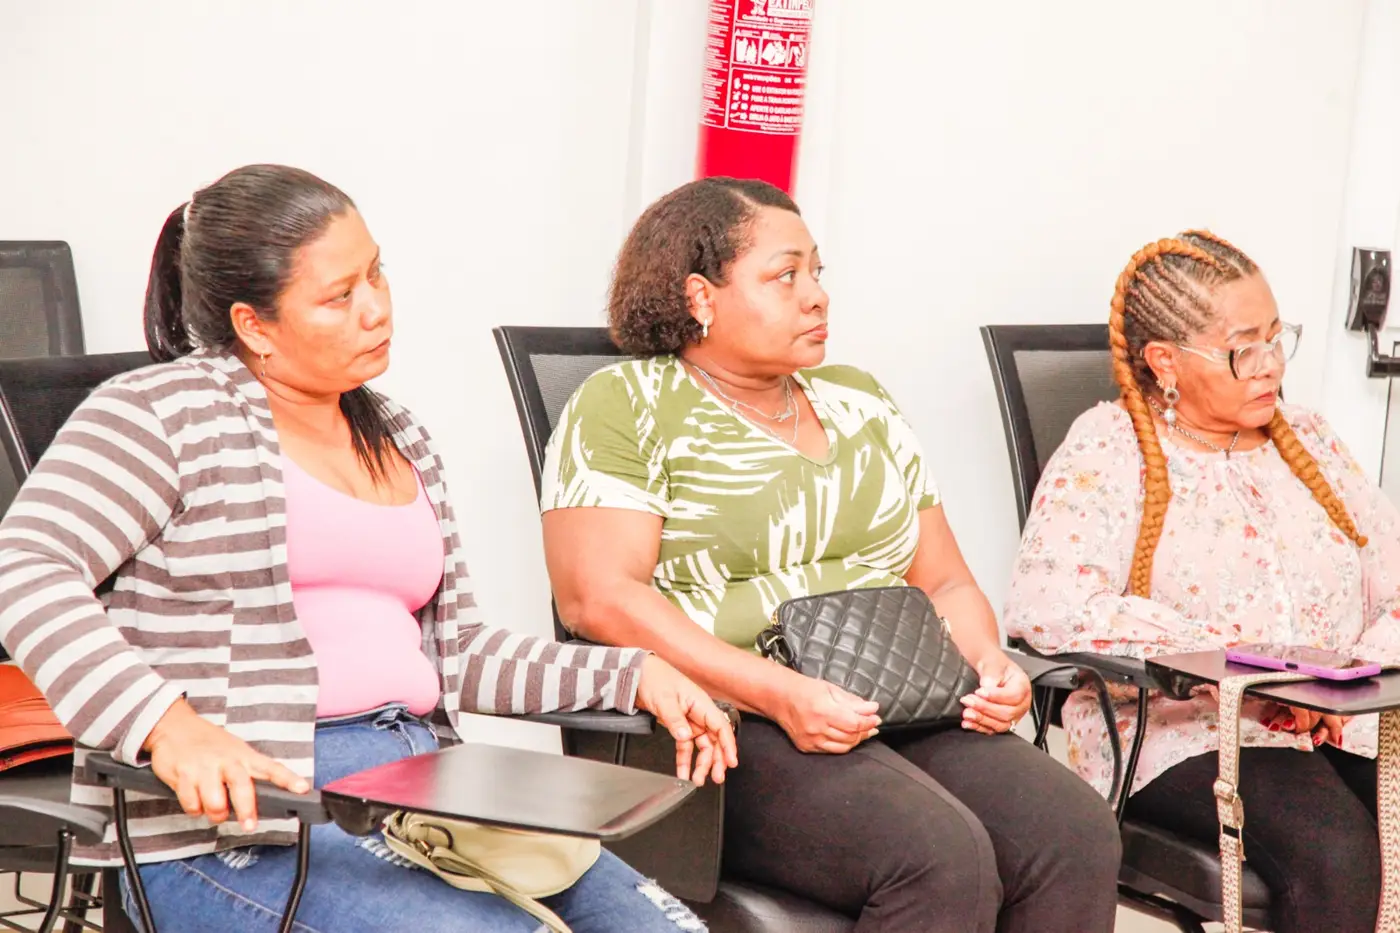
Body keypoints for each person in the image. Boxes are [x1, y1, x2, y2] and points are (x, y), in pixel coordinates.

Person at [0, 164, 737, 933]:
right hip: (242, 824)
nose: (377, 308)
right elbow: (26, 569)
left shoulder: (398, 432)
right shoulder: (159, 416)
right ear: (255, 325)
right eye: (339, 295)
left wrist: (631, 673)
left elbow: (457, 651)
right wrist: (168, 724)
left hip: (423, 792)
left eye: (376, 273)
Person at [538, 177, 1123, 933]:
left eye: (817, 272)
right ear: (700, 296)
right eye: (785, 276)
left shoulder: (860, 399)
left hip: (894, 696)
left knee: (1073, 833)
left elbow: (943, 580)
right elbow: (598, 598)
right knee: (940, 856)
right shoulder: (626, 404)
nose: (816, 296)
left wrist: (987, 663)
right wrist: (781, 693)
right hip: (725, 720)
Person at [1004, 230, 1400, 933]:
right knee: (1337, 856)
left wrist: (1348, 677)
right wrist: (1256, 672)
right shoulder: (1109, 448)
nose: (1270, 365)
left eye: (1277, 338)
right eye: (1244, 348)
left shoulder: (1308, 438)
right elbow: (1050, 604)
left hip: (1344, 720)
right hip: (1183, 731)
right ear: (1166, 361)